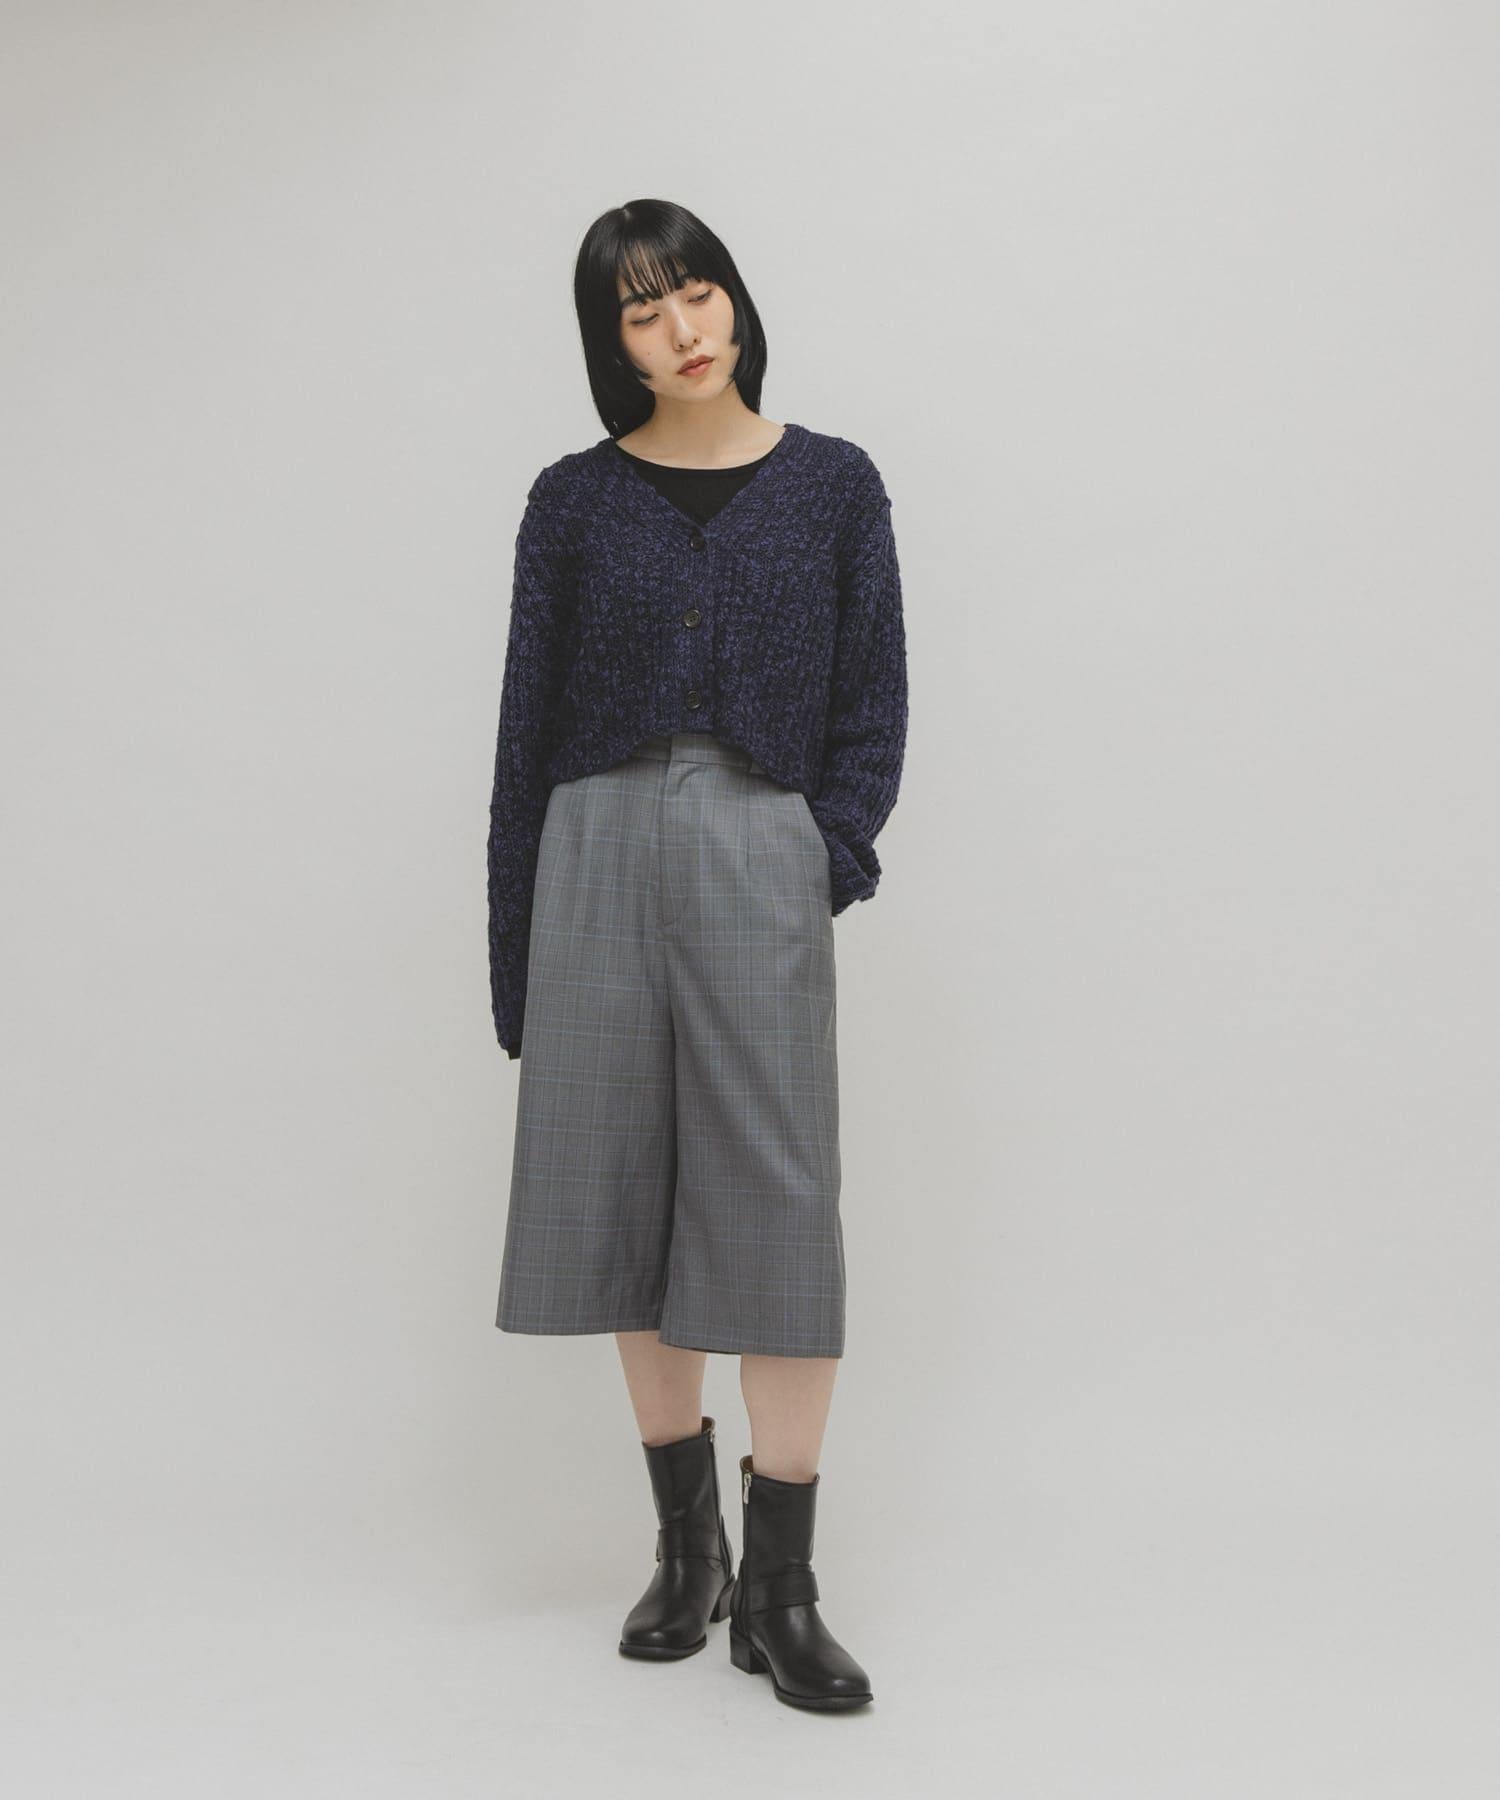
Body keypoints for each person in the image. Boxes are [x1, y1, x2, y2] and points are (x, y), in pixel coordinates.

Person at [486, 198, 908, 1712]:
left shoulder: (835, 485)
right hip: (592, 843)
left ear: (735, 299)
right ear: (611, 342)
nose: (682, 330)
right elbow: (524, 729)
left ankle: (782, 1585)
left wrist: (819, 852)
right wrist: (517, 945)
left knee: (779, 1203)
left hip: (758, 842)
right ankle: (688, 1548)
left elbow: (874, 698)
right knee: (624, 1189)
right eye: (643, 311)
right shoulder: (572, 501)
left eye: (699, 293)